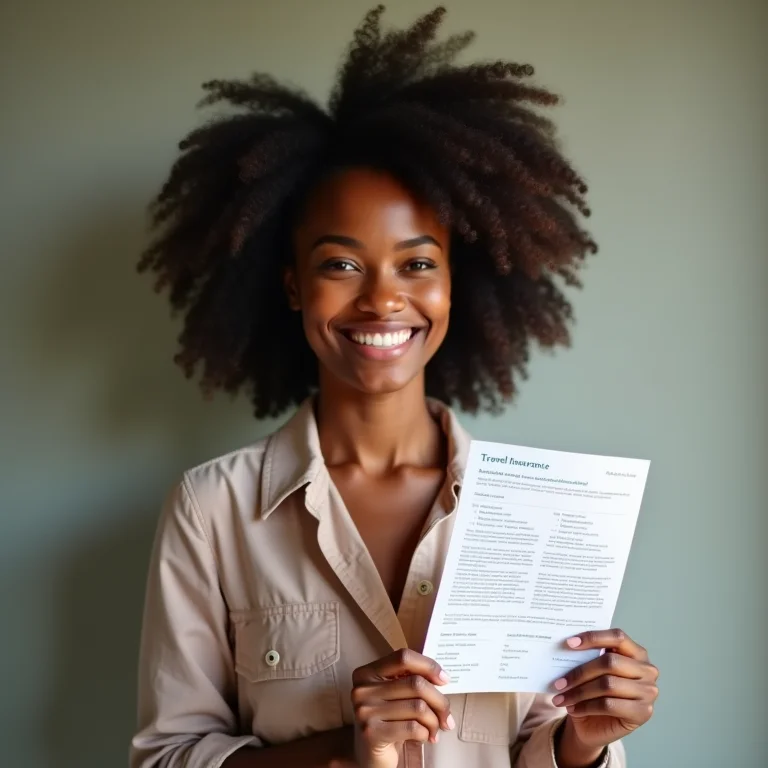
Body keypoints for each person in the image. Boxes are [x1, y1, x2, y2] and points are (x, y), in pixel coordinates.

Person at [131, 6, 659, 768]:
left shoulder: (539, 511)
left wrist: (582, 741)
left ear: (455, 285)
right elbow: (164, 758)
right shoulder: (212, 511)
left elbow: (540, 745)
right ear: (291, 285)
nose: (382, 301)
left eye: (417, 264)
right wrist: (344, 750)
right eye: (341, 264)